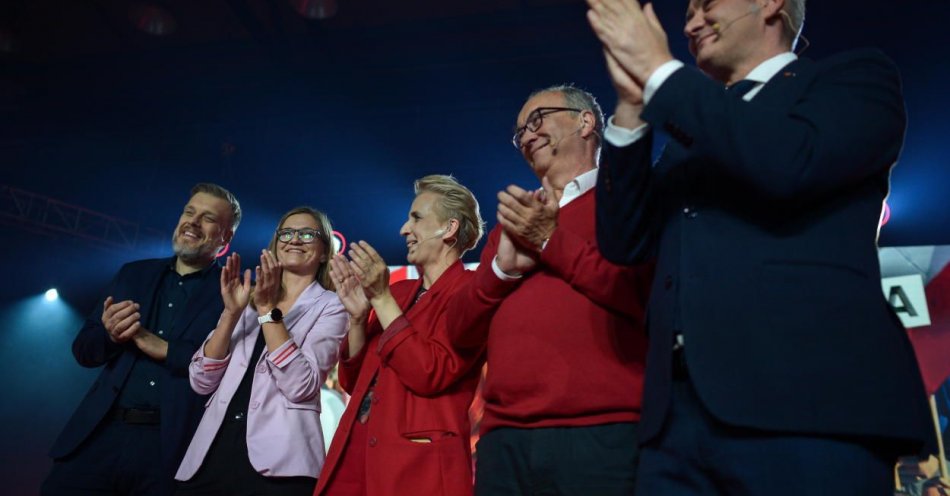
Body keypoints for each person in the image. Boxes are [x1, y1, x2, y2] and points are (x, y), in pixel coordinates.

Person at [585, 0, 935, 492]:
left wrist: (661, 73)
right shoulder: (694, 130)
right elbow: (625, 241)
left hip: (809, 406)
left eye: (705, 4)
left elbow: (787, 163)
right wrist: (630, 105)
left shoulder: (852, 79)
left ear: (770, 3)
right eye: (685, 13)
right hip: (677, 422)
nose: (688, 24)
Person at [446, 85, 654, 495]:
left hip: (601, 433)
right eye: (520, 131)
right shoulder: (510, 226)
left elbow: (639, 295)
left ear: (586, 122)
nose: (526, 136)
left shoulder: (624, 201)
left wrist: (549, 241)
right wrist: (501, 271)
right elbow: (459, 330)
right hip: (504, 441)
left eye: (537, 120)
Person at [43, 183, 241, 496]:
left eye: (207, 218)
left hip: (169, 450)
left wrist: (168, 351)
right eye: (188, 212)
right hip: (99, 435)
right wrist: (109, 335)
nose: (192, 221)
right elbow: (84, 351)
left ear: (225, 238)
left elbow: (232, 374)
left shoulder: (233, 296)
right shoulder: (133, 274)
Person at [313, 175, 488, 496]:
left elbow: (430, 372)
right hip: (356, 455)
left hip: (415, 468)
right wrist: (356, 319)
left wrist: (380, 299)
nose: (404, 230)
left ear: (449, 228)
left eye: (416, 219)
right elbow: (354, 382)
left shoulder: (471, 292)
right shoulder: (401, 291)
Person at [174, 206, 347, 495]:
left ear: (325, 252)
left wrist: (268, 312)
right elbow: (201, 380)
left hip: (280, 465)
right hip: (212, 453)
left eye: (307, 234)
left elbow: (301, 385)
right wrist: (230, 313)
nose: (294, 239)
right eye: (286, 233)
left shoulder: (332, 305)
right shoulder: (247, 298)